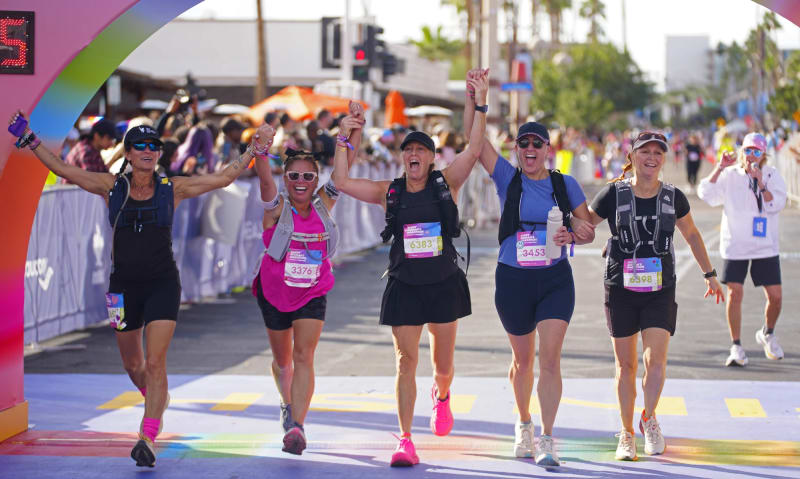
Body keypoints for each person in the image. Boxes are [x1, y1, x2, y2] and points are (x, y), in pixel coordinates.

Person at [8, 110, 275, 468]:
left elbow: (223, 178)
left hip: (163, 283)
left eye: (154, 146)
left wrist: (253, 150)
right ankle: (155, 399)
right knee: (133, 364)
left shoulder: (172, 188)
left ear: (158, 154)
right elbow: (64, 169)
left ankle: (148, 435)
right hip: (121, 288)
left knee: (154, 360)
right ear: (129, 154)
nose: (148, 150)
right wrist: (30, 139)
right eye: (140, 146)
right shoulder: (110, 187)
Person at [331, 72, 489, 467]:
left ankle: (442, 394)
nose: (413, 155)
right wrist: (345, 137)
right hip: (405, 283)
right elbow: (342, 180)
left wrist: (478, 101)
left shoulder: (446, 183)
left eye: (421, 150)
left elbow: (473, 146)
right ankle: (404, 439)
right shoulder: (391, 191)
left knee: (443, 366)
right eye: (408, 151)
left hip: (443, 282)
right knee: (405, 361)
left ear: (433, 157)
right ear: (403, 158)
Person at [463, 71, 596, 467]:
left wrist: (574, 235)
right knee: (523, 361)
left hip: (555, 279)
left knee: (550, 360)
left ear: (548, 150)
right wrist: (478, 99)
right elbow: (475, 142)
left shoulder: (565, 184)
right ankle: (523, 424)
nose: (531, 149)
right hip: (514, 277)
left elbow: (588, 229)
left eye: (538, 143)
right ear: (517, 150)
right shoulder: (507, 178)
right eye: (524, 143)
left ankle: (548, 437)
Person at [586, 130, 724, 461]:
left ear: (664, 158)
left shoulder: (673, 197)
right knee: (626, 365)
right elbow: (585, 225)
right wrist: (560, 233)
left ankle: (648, 417)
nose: (651, 157)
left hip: (660, 287)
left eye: (657, 152)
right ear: (631, 156)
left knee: (655, 361)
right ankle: (626, 432)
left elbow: (691, 233)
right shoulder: (613, 194)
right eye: (644, 151)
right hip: (620, 287)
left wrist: (710, 275)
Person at [250, 104, 363, 456]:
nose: (301, 182)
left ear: (316, 181)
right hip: (273, 292)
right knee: (283, 360)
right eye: (295, 176)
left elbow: (346, 166)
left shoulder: (323, 205)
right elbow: (264, 179)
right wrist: (261, 150)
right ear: (287, 180)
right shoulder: (276, 209)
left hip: (312, 291)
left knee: (304, 356)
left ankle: (297, 426)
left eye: (308, 177)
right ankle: (288, 404)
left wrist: (351, 131)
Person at [697, 132, 787, 366]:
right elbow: (705, 194)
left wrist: (760, 182)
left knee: (775, 297)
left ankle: (767, 333)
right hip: (735, 245)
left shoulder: (772, 175)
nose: (751, 156)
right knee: (735, 294)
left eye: (757, 151)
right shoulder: (730, 175)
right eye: (748, 150)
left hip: (764, 246)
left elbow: (776, 204)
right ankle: (736, 346)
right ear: (742, 151)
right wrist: (718, 168)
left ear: (763, 154)